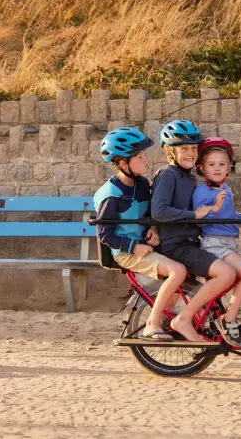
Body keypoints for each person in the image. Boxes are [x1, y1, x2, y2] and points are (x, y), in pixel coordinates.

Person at [94, 127, 190, 341]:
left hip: (144, 246)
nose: (146, 160)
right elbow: (104, 234)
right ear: (122, 163)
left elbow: (148, 214)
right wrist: (133, 247)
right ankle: (152, 324)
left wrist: (152, 228)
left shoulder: (141, 183)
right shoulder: (111, 195)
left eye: (144, 154)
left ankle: (169, 317)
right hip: (126, 252)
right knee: (177, 271)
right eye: (140, 156)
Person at [151, 120, 238, 344]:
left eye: (193, 148)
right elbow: (159, 211)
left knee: (236, 268)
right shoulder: (168, 174)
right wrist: (194, 215)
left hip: (190, 242)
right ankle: (184, 318)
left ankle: (207, 317)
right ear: (170, 151)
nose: (190, 153)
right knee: (226, 273)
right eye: (184, 149)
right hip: (176, 245)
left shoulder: (189, 177)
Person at [192, 137, 241, 347]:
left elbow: (229, 215)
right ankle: (229, 318)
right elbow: (202, 218)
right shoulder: (202, 191)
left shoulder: (225, 190)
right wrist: (214, 208)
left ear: (228, 169)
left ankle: (217, 311)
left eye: (221, 164)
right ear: (202, 168)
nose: (217, 168)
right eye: (211, 164)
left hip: (229, 243)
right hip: (215, 243)